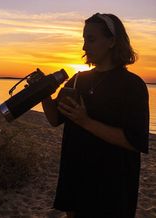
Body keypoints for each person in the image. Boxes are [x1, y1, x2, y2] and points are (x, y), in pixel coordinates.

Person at [42, 13, 149, 218]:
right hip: (76, 182)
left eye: (90, 39)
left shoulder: (132, 85)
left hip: (112, 189)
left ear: (112, 42)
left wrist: (85, 121)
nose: (84, 47)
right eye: (83, 39)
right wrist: (42, 93)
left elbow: (134, 141)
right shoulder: (77, 80)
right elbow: (55, 119)